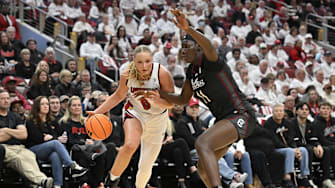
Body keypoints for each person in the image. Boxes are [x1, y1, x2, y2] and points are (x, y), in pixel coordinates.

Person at [158, 9, 258, 188]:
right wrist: (160, 93)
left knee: (202, 143)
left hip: (241, 114)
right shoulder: (191, 72)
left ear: (198, 48)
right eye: (181, 48)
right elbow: (182, 99)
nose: (183, 51)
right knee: (203, 168)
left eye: (187, 47)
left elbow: (210, 46)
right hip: (224, 120)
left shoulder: (211, 61)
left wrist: (188, 29)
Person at [87, 45, 175, 188]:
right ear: (134, 62)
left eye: (147, 61)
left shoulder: (162, 74)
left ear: (152, 61)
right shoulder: (127, 74)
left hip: (157, 118)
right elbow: (118, 96)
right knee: (130, 145)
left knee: (146, 166)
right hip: (135, 112)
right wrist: (97, 111)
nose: (144, 66)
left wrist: (158, 100)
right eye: (140, 62)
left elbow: (172, 103)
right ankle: (112, 180)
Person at [25, 96, 88, 188]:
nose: (46, 106)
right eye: (42, 104)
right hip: (34, 149)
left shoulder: (52, 121)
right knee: (55, 143)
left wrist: (53, 138)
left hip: (50, 149)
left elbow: (58, 135)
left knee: (55, 155)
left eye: (47, 104)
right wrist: (53, 139)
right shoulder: (30, 121)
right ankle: (71, 165)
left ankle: (57, 185)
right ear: (37, 106)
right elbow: (36, 138)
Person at [0, 89, 53, 188]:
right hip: (4, 148)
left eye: (7, 98)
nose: (6, 101)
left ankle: (36, 184)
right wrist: (15, 132)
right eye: (3, 99)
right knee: (18, 159)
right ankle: (41, 180)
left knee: (30, 156)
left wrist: (6, 130)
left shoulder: (14, 116)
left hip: (19, 146)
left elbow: (23, 134)